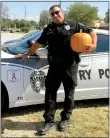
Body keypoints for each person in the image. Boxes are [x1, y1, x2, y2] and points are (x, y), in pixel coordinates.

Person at [16, 5, 97, 135]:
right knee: (50, 93)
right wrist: (26, 54)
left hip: (70, 66)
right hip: (54, 67)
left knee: (69, 93)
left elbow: (91, 31)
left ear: (62, 12)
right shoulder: (48, 29)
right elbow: (38, 43)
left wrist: (93, 45)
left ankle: (65, 118)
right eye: (52, 14)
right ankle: (49, 120)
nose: (55, 15)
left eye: (56, 12)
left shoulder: (74, 25)